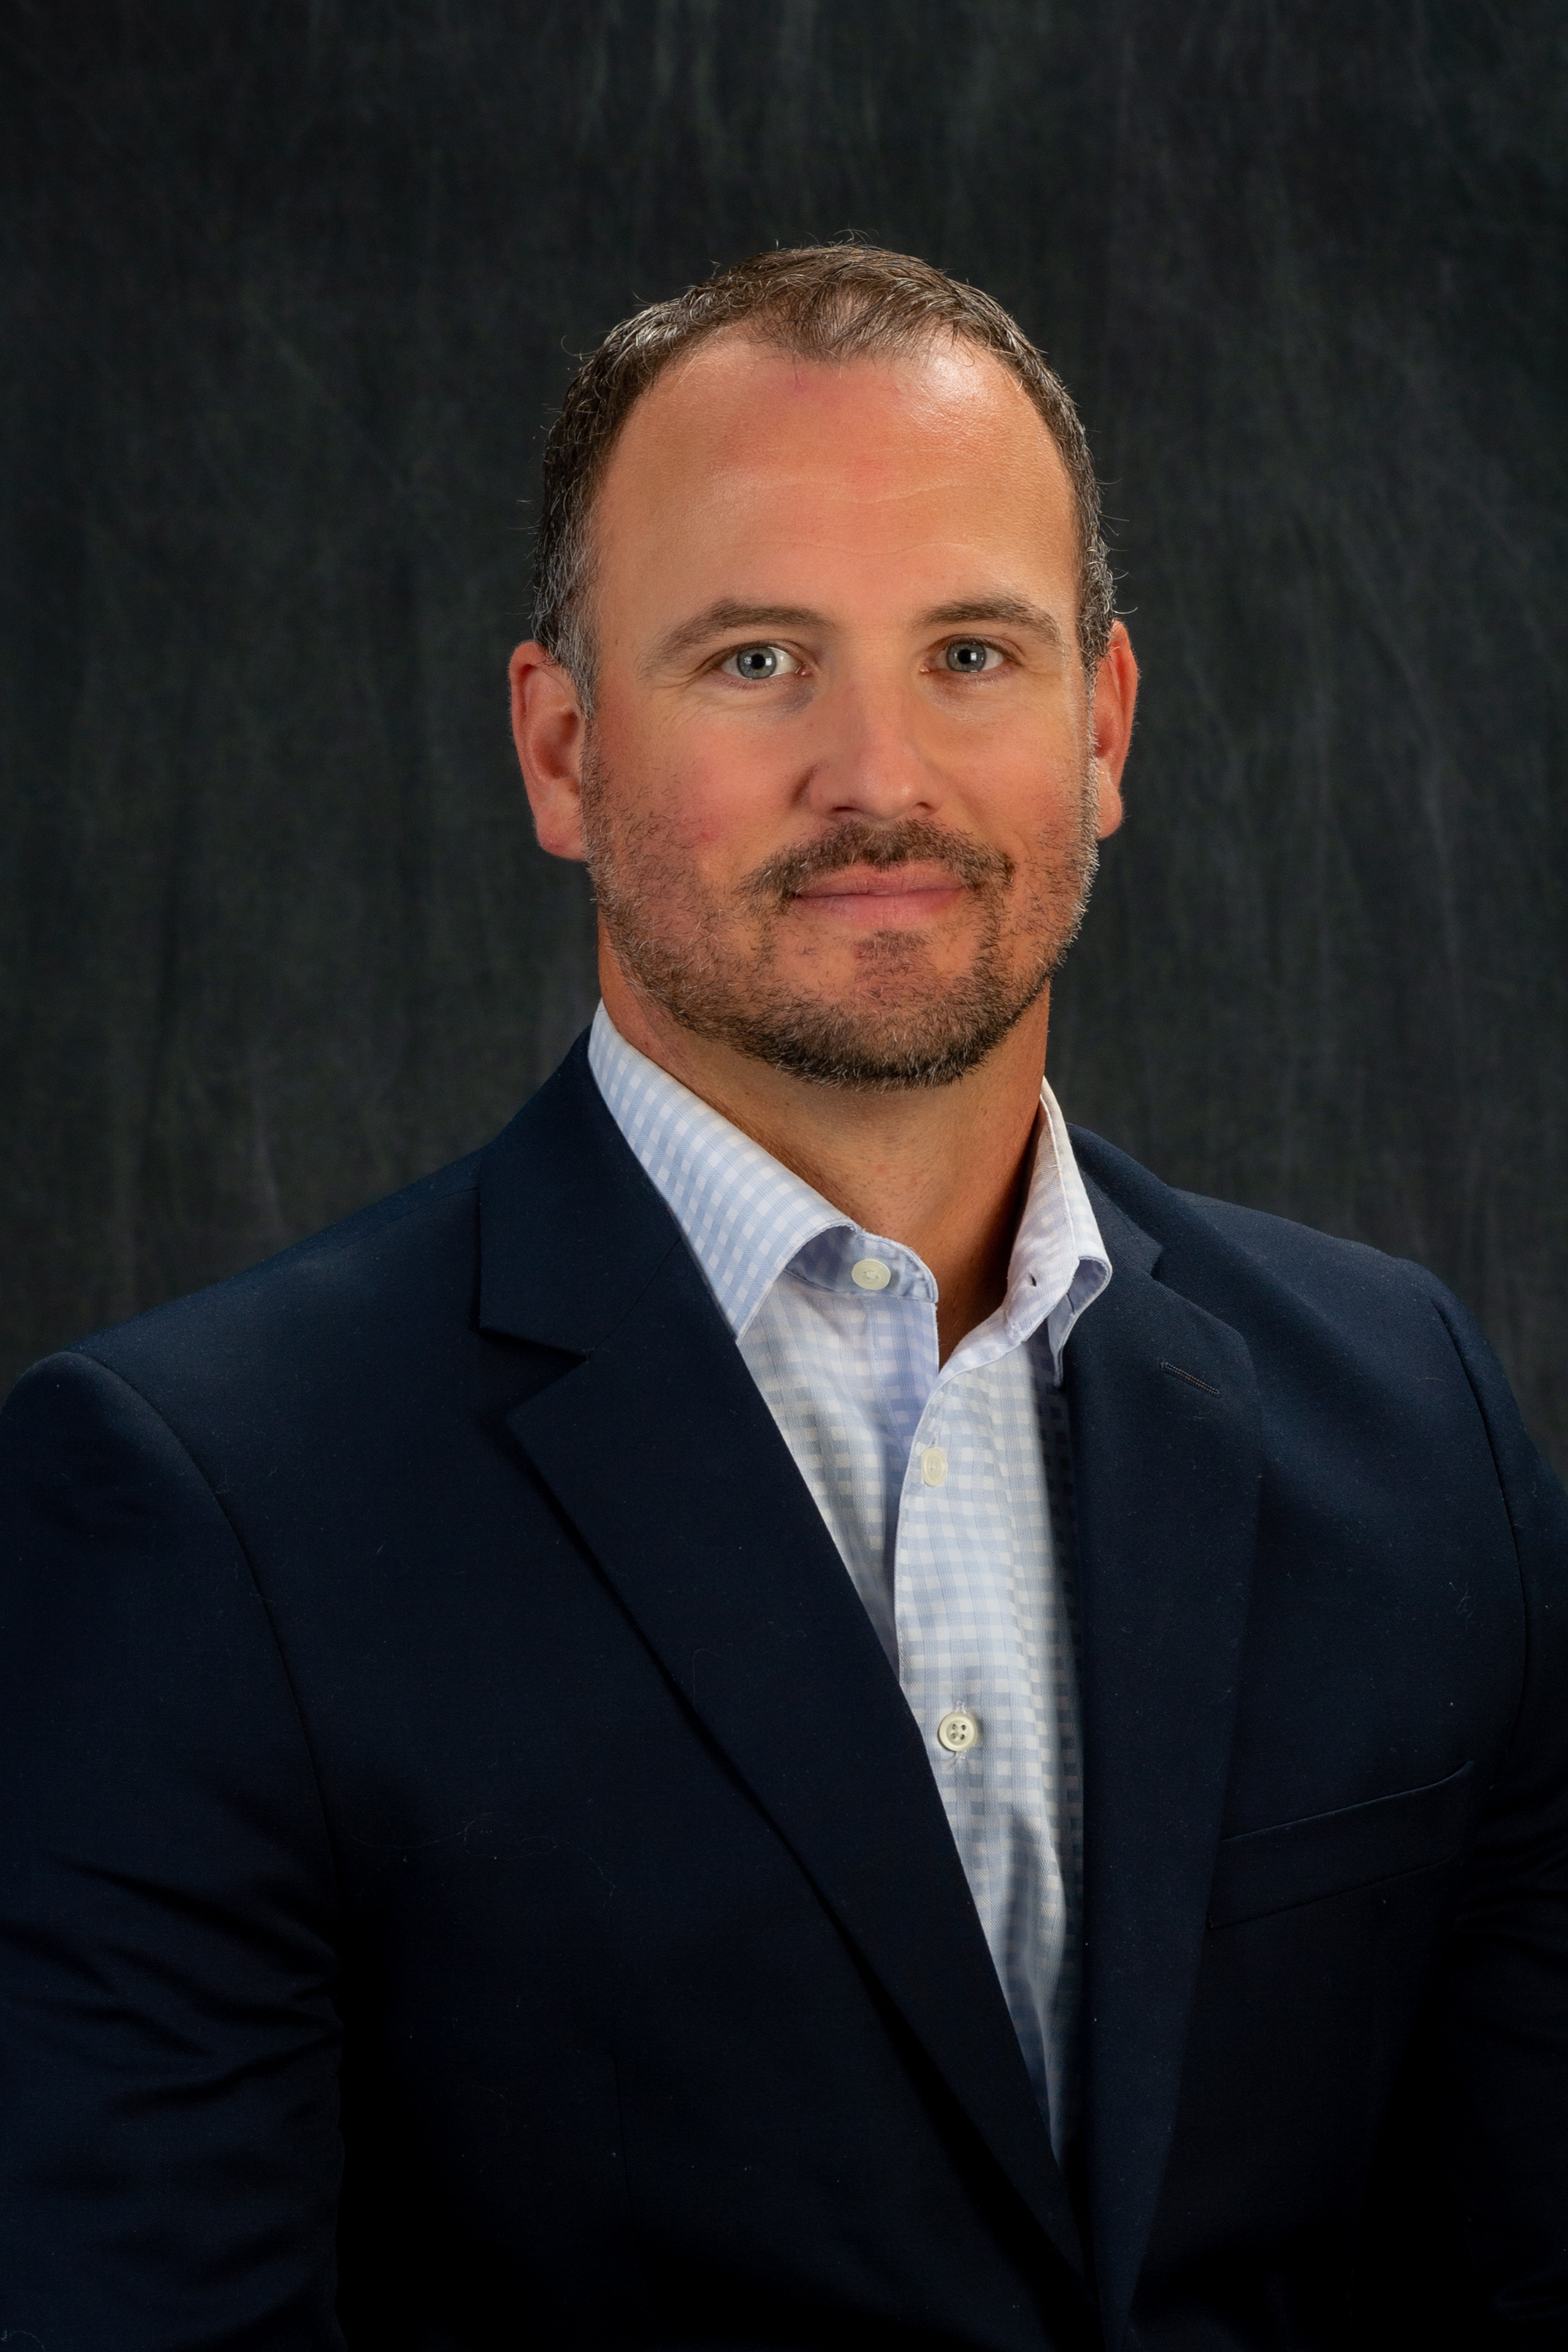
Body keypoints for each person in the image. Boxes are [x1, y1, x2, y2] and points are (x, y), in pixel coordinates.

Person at [0, 245, 1563, 2352]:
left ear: (1102, 728)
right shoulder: (200, 1508)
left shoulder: (1416, 1422)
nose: (879, 778)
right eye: (756, 659)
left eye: (971, 654)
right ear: (562, 749)